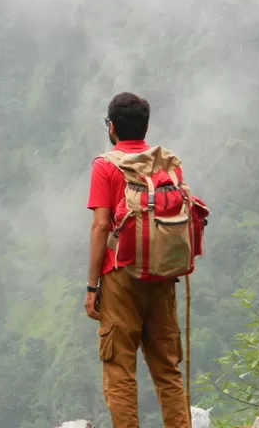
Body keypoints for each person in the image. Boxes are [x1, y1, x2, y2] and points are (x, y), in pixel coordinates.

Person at [84, 92, 193, 428]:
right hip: (162, 275)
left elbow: (102, 225)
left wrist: (92, 286)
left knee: (119, 370)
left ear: (112, 127)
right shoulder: (168, 164)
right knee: (167, 369)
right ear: (145, 127)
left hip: (120, 278)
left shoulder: (105, 165)